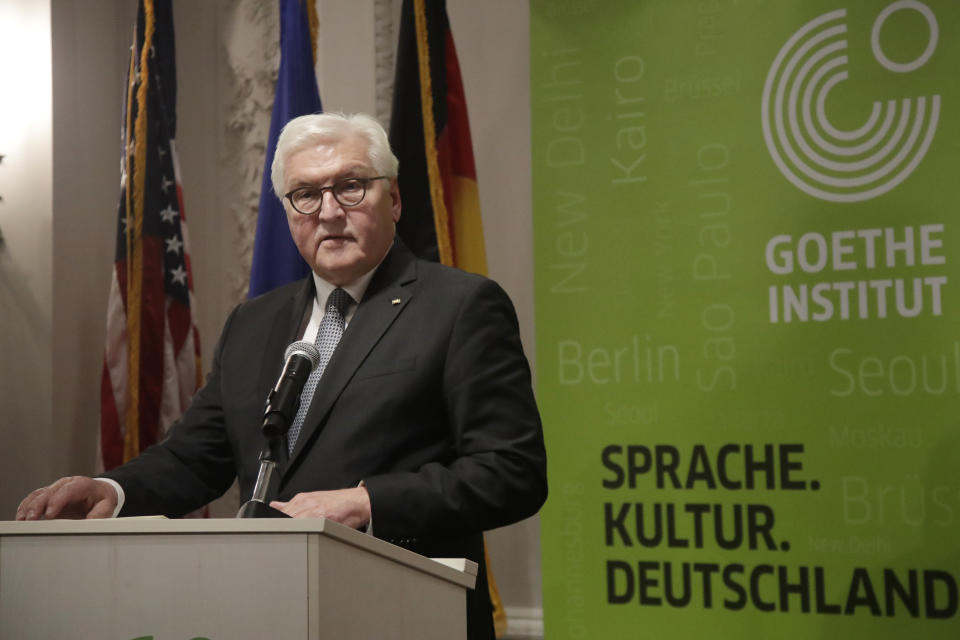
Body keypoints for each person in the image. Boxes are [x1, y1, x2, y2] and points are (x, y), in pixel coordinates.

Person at [16, 112, 547, 640]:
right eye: (306, 195)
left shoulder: (459, 306)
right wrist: (113, 489)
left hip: (407, 613)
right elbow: (194, 458)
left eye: (352, 187)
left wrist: (367, 502)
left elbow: (512, 471)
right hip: (270, 612)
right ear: (289, 212)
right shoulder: (254, 322)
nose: (329, 212)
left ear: (396, 199)